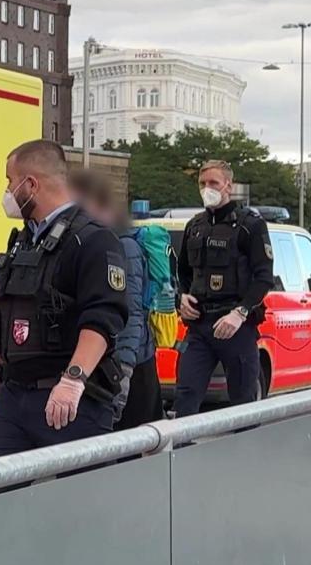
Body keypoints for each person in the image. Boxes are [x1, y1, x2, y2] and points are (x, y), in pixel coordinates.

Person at [0, 140, 128, 458]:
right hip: (14, 396)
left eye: (9, 181)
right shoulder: (24, 241)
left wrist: (73, 380)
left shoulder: (92, 239)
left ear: (30, 184)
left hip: (69, 398)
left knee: (76, 503)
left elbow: (103, 318)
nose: (7, 191)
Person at [174, 160, 275, 417]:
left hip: (236, 326)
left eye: (213, 183)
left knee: (242, 402)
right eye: (202, 183)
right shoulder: (195, 226)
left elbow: (263, 277)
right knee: (185, 396)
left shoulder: (249, 225)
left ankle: (244, 454)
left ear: (228, 186)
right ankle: (185, 455)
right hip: (200, 325)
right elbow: (183, 273)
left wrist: (239, 313)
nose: (207, 188)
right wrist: (181, 299)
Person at [69, 170, 163, 430]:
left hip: (132, 365)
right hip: (109, 363)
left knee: (134, 447)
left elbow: (129, 315)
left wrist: (124, 375)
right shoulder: (93, 242)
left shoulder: (125, 247)